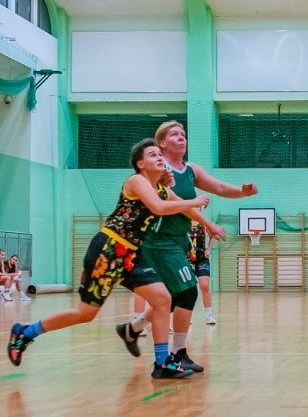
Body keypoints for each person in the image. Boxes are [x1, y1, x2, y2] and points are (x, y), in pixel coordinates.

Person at [8, 139, 220, 378]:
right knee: (85, 313)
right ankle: (25, 332)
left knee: (163, 299)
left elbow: (182, 208)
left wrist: (209, 224)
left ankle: (162, 363)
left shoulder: (162, 189)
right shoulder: (136, 181)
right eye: (152, 155)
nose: (159, 157)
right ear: (140, 164)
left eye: (160, 154)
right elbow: (159, 208)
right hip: (108, 251)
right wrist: (194, 200)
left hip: (131, 255)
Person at [135, 121, 256, 373]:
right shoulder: (159, 170)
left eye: (183, 134)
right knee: (188, 291)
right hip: (159, 239)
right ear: (161, 143)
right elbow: (176, 203)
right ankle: (177, 354)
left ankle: (133, 329)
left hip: (179, 240)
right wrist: (208, 222)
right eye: (174, 134)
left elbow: (219, 187)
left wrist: (241, 192)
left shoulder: (190, 169)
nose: (181, 137)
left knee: (171, 296)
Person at [190, 223, 216, 325]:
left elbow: (213, 237)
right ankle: (188, 315)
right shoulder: (184, 222)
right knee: (189, 288)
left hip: (202, 258)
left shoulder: (203, 224)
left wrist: (208, 250)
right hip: (188, 258)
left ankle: (209, 315)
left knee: (204, 286)